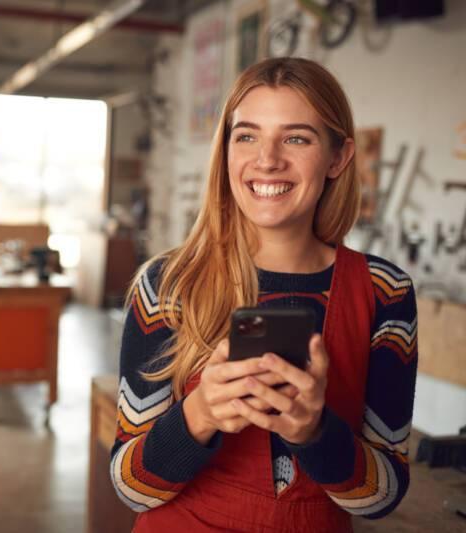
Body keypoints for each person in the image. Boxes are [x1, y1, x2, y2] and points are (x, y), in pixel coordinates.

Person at [110, 57, 417, 532]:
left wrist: (313, 433)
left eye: (296, 137)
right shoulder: (166, 285)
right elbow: (130, 487)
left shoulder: (385, 293)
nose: (267, 158)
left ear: (338, 157)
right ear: (226, 150)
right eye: (247, 135)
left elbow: (382, 497)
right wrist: (200, 413)